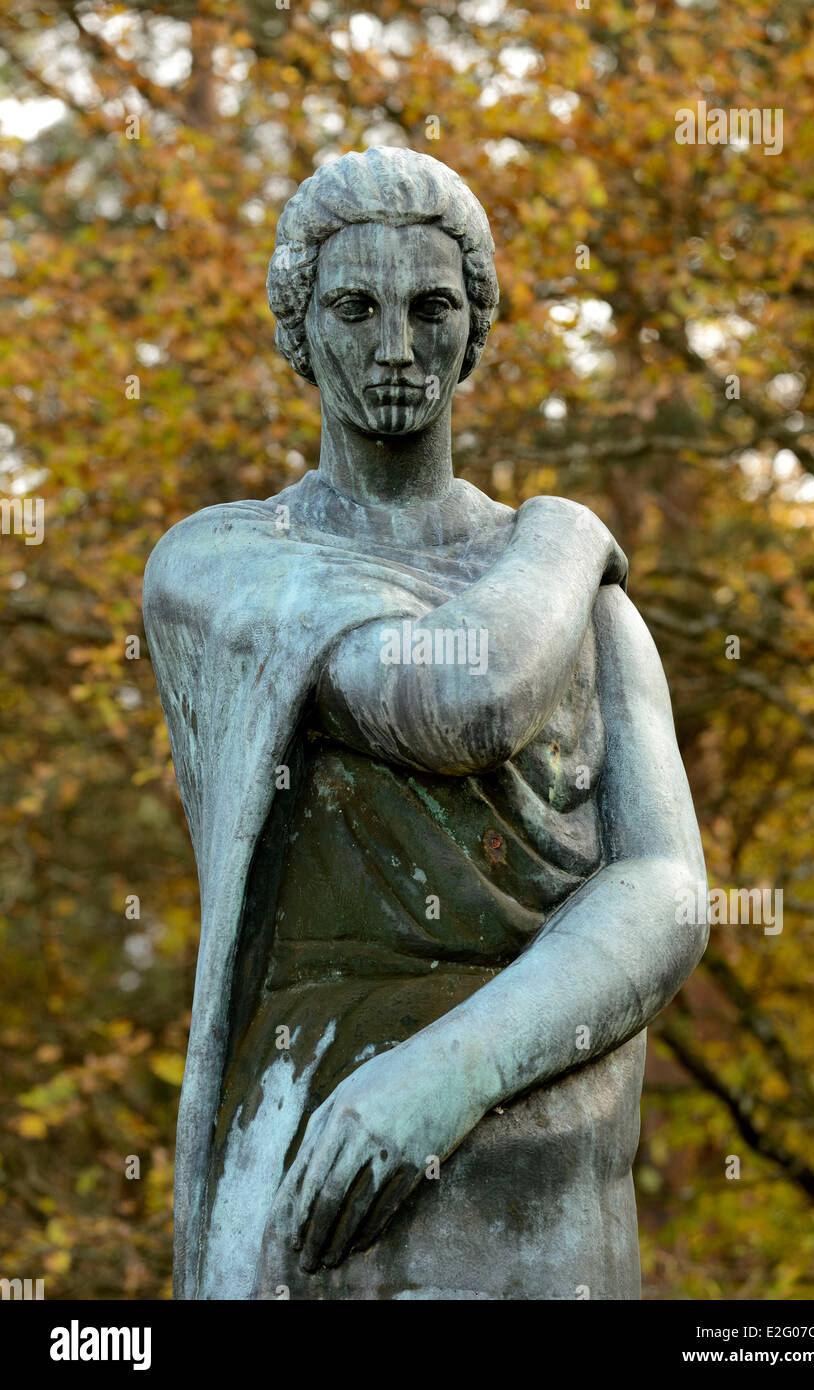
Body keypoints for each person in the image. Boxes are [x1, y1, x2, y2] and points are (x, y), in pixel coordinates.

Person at [143, 146, 707, 1300]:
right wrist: (566, 531)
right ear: (297, 326)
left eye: (432, 307)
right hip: (316, 1163)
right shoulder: (222, 563)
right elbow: (455, 699)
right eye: (355, 307)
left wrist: (452, 1069)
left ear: (476, 328)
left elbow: (664, 891)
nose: (397, 348)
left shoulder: (585, 612)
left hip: (549, 1167)